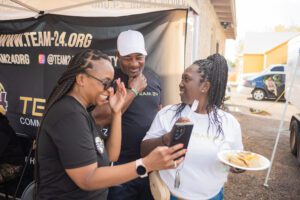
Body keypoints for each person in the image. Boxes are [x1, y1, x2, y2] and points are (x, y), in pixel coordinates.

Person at [35, 49, 186, 200]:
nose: (109, 89)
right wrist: (146, 164)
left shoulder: (81, 112)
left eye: (111, 83)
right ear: (81, 79)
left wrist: (117, 112)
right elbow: (87, 178)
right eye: (105, 83)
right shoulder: (69, 114)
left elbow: (111, 156)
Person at [141, 54, 244, 200]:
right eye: (182, 78)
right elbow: (144, 151)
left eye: (186, 79)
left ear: (205, 86)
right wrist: (168, 138)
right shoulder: (167, 114)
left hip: (212, 196)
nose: (181, 83)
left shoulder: (229, 123)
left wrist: (235, 166)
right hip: (170, 195)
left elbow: (237, 160)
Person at [93, 30, 162, 200]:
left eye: (139, 57)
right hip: (119, 167)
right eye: (127, 58)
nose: (134, 64)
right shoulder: (109, 79)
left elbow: (159, 112)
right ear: (118, 56)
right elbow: (101, 119)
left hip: (149, 165)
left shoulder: (153, 78)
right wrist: (134, 90)